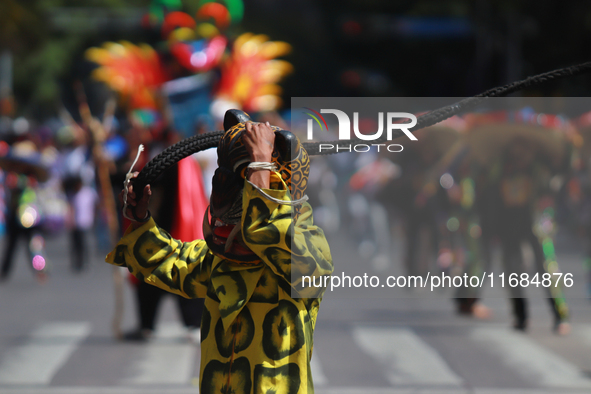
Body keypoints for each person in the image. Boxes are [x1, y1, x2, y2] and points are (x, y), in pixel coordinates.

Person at [106, 114, 333, 393]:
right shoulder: (222, 259)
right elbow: (167, 261)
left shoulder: (309, 250)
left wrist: (260, 164)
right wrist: (140, 219)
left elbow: (272, 233)